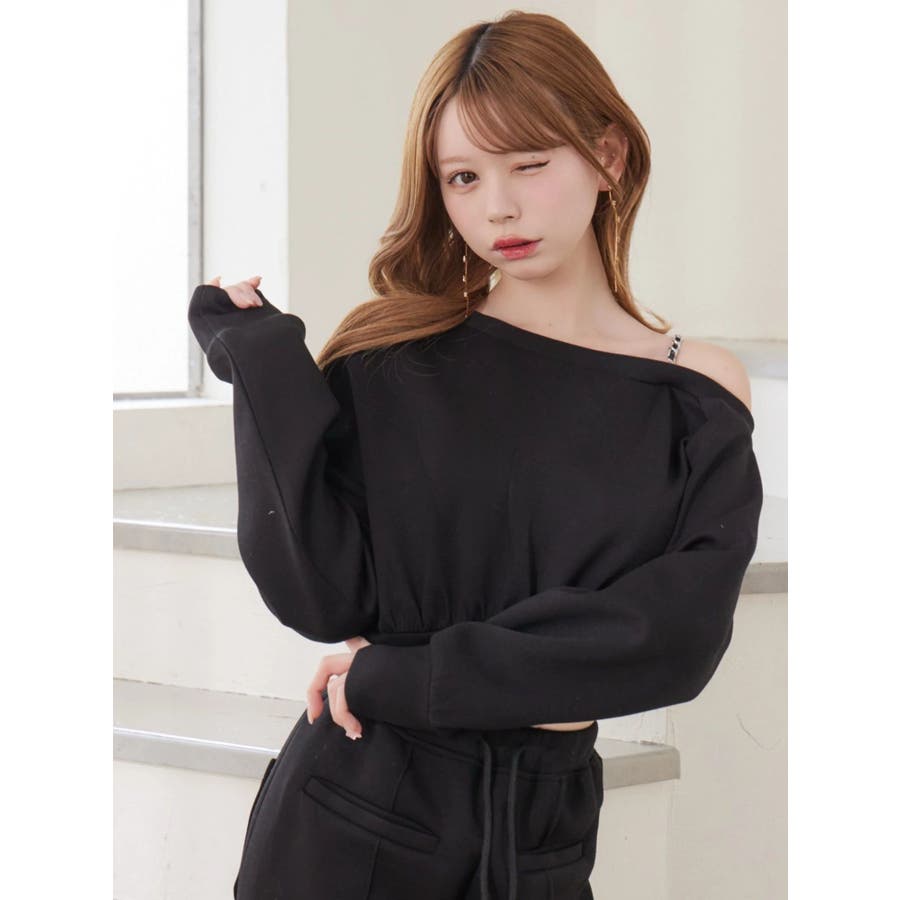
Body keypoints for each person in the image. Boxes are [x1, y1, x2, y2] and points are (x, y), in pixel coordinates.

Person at [187, 10, 762, 900]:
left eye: (529, 164)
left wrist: (412, 673)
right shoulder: (393, 361)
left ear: (608, 156)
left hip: (545, 838)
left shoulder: (697, 390)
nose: (497, 207)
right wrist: (258, 364)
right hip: (351, 820)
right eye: (463, 176)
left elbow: (673, 642)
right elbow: (322, 596)